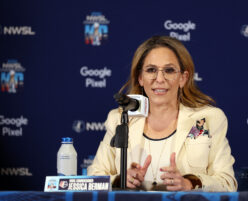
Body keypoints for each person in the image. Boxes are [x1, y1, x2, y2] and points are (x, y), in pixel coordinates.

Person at [88, 35, 237, 192]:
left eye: (169, 70)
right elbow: (94, 178)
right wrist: (120, 180)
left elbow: (228, 183)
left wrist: (190, 183)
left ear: (183, 78)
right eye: (151, 70)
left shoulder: (208, 119)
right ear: (140, 77)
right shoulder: (120, 119)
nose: (159, 79)